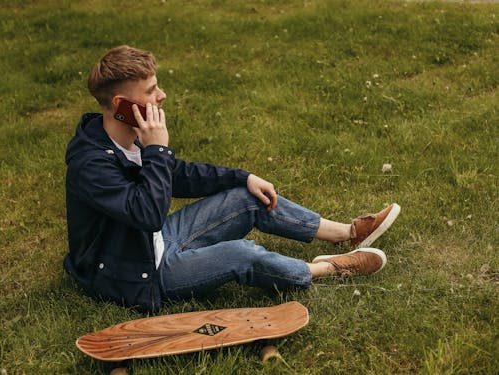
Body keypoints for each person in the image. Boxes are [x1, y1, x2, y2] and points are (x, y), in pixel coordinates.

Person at [64, 45, 401, 312]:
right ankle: (328, 269)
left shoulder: (125, 137)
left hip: (156, 240)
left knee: (248, 196)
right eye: (151, 91)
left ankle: (348, 233)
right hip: (139, 273)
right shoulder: (90, 164)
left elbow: (178, 176)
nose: (162, 95)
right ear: (123, 105)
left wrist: (243, 177)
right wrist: (157, 151)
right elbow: (148, 214)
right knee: (243, 255)